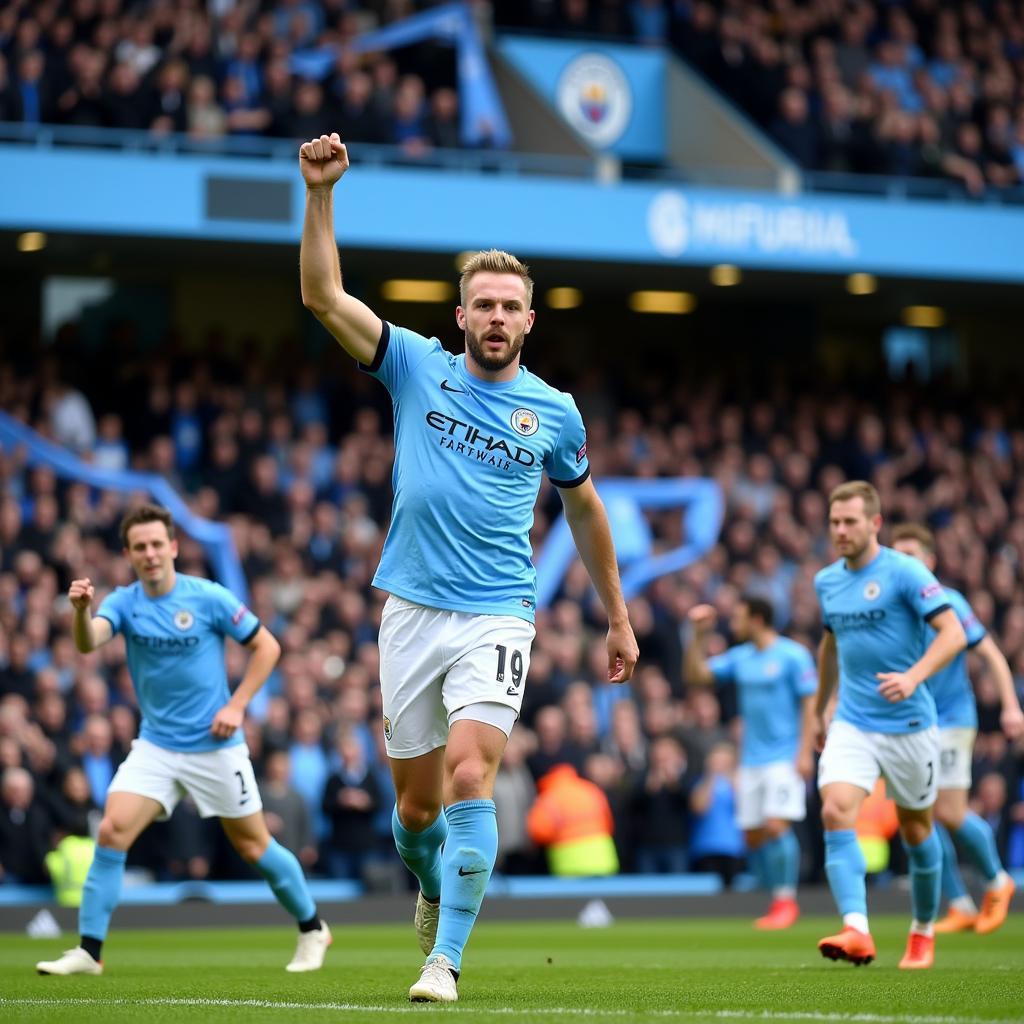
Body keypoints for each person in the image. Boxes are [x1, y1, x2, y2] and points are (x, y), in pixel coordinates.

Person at [298, 132, 639, 1003]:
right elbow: (323, 296)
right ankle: (429, 881)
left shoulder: (554, 414)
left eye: (508, 306)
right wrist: (321, 193)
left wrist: (617, 613)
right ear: (460, 316)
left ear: (529, 321)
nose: (494, 317)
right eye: (480, 304)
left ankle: (443, 961)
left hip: (498, 612)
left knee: (469, 776)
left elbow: (585, 508)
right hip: (409, 611)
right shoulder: (415, 367)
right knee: (415, 816)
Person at [35, 504, 330, 976]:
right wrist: (79, 610)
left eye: (156, 544)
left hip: (215, 746)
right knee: (111, 831)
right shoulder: (123, 602)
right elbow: (89, 642)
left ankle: (313, 928)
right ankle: (90, 951)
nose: (149, 553)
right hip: (156, 746)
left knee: (255, 847)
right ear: (129, 554)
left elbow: (267, 646)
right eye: (139, 547)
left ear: (172, 547)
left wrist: (237, 706)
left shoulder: (208, 597)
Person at [812, 481, 967, 970]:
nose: (840, 530)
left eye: (850, 521)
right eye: (834, 522)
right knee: (836, 809)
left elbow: (953, 633)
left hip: (910, 722)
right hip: (853, 721)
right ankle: (857, 928)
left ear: (875, 523)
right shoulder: (827, 582)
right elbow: (830, 646)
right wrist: (821, 708)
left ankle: (922, 932)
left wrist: (913, 676)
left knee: (917, 830)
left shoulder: (905, 572)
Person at [890, 522, 1022, 934]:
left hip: (950, 717)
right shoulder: (891, 608)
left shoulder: (947, 601)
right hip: (910, 723)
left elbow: (991, 654)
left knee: (948, 811)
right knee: (919, 817)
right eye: (897, 556)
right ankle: (961, 904)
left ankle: (998, 879)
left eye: (911, 555)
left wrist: (1010, 706)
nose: (903, 564)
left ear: (929, 561)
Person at [685, 594, 817, 929]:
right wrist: (698, 635)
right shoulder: (741, 658)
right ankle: (774, 896)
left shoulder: (792, 656)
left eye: (739, 617)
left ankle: (785, 901)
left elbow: (809, 704)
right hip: (751, 760)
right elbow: (697, 675)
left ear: (757, 619)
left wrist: (804, 752)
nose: (734, 624)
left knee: (776, 826)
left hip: (783, 758)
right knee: (754, 836)